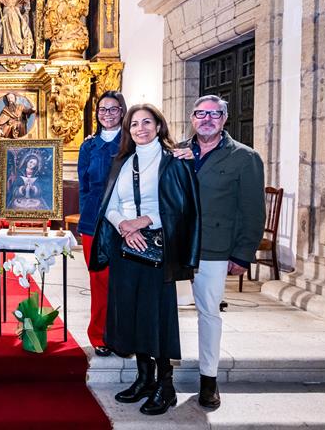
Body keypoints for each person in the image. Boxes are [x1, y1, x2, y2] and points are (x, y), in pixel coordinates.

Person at [89, 104, 200, 416]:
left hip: (157, 249)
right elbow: (109, 204)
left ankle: (165, 385)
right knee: (132, 313)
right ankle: (144, 379)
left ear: (158, 126)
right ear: (128, 130)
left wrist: (144, 221)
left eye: (146, 122)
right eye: (134, 124)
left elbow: (180, 208)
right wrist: (124, 225)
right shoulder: (122, 162)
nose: (140, 128)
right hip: (127, 249)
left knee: (156, 316)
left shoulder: (172, 161)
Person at [173, 94, 265, 410]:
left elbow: (253, 210)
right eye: (201, 114)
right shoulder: (176, 152)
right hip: (177, 247)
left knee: (208, 313)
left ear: (225, 118)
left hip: (214, 249)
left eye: (215, 113)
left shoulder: (244, 157)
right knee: (163, 310)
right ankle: (160, 375)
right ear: (192, 118)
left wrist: (242, 254)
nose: (207, 119)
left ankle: (208, 380)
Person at [77, 91, 127, 357]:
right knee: (99, 280)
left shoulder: (130, 143)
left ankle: (122, 335)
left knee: (123, 281)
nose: (107, 114)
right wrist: (89, 219)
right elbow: (84, 188)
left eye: (113, 109)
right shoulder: (88, 146)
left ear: (122, 111)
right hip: (94, 222)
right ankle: (99, 335)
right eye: (102, 110)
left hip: (125, 222)